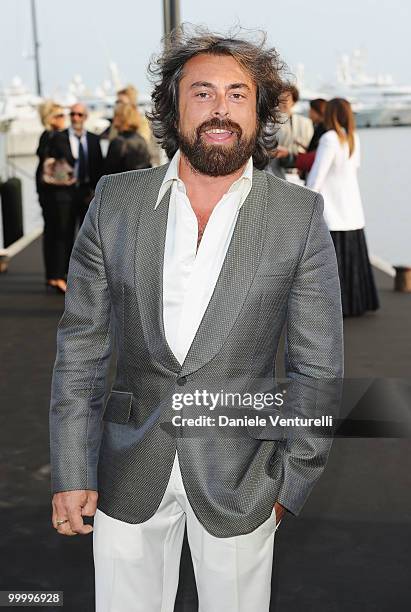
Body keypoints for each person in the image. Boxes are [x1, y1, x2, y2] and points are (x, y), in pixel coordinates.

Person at [49, 26, 343, 612]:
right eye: (202, 92)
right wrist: (71, 467)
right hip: (126, 466)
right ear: (172, 107)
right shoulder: (116, 201)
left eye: (238, 94)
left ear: (259, 113)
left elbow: (318, 365)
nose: (220, 109)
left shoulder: (298, 215)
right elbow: (82, 345)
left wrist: (290, 483)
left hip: (244, 473)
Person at [306, 98, 379, 317]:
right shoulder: (352, 137)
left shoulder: (329, 139)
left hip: (333, 210)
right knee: (353, 260)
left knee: (332, 262)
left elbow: (316, 177)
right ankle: (356, 303)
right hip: (352, 209)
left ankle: (335, 306)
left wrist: (303, 203)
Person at [50, 102, 104, 228]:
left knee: (87, 234)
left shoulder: (94, 139)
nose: (75, 118)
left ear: (85, 117)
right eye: (72, 114)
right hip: (66, 194)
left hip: (87, 194)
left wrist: (95, 192)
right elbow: (54, 165)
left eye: (79, 115)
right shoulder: (59, 137)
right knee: (65, 235)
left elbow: (99, 167)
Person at [36, 101, 69, 293]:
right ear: (50, 118)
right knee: (61, 233)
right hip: (58, 192)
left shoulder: (44, 137)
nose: (63, 118)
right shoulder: (58, 137)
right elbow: (69, 159)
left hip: (44, 190)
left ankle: (51, 275)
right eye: (59, 115)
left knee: (50, 232)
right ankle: (59, 276)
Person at [104, 103, 151, 174]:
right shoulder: (141, 139)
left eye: (116, 116)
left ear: (121, 118)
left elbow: (108, 173)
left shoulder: (118, 142)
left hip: (122, 184)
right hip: (142, 183)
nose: (113, 119)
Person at [296, 98, 327, 178]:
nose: (309, 113)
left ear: (318, 111)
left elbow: (317, 152)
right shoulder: (319, 126)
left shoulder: (322, 129)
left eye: (311, 110)